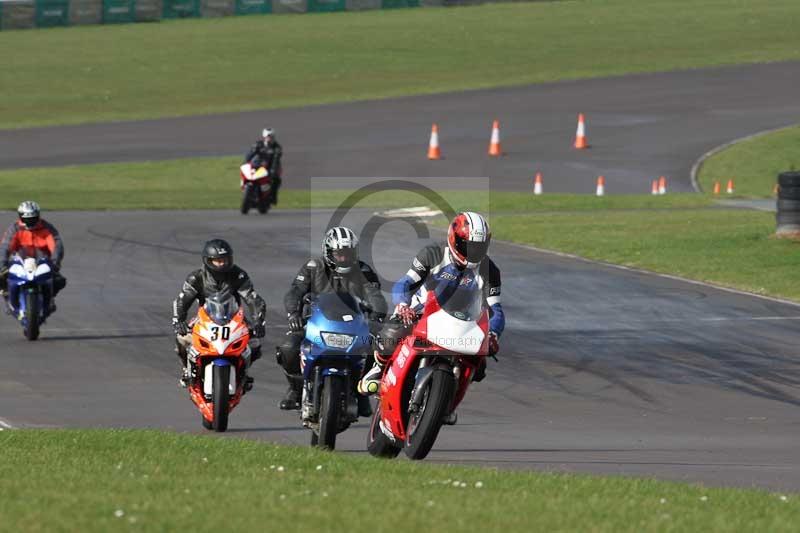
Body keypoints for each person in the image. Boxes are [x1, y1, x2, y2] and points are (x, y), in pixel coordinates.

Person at [359, 212, 505, 402]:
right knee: (392, 334)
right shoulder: (433, 254)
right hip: (419, 311)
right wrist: (403, 305)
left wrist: (493, 333)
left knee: (479, 365)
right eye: (467, 245)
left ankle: (450, 398)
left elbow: (496, 310)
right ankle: (379, 369)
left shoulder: (490, 270)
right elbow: (405, 283)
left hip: (462, 321)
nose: (472, 252)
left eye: (478, 247)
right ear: (454, 239)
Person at [277, 226, 387, 415]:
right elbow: (295, 291)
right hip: (315, 323)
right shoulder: (313, 267)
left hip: (353, 327)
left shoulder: (364, 270)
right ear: (328, 252)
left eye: (348, 253)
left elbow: (374, 295)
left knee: (375, 347)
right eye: (339, 254)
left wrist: (377, 315)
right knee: (288, 347)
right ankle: (296, 390)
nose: (343, 258)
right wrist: (293, 313)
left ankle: (361, 392)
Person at [172, 239, 267, 388]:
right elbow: (182, 300)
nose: (222, 264)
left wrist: (258, 321)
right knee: (181, 339)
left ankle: (244, 372)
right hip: (204, 317)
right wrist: (178, 320)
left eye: (225, 260)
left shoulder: (238, 275)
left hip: (234, 316)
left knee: (255, 343)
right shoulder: (196, 277)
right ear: (208, 261)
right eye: (218, 261)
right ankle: (186, 370)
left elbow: (253, 299)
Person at [0, 201, 66, 311]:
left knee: (59, 281)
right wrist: (2, 265)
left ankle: (50, 299)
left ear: (38, 216)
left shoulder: (47, 228)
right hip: (19, 262)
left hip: (42, 263)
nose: (30, 222)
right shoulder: (14, 229)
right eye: (27, 219)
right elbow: (5, 247)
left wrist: (55, 263)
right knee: (1, 278)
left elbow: (56, 246)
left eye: (33, 218)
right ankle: (8, 297)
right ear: (21, 217)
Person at [244, 128, 283, 205]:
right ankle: (248, 190)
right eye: (268, 136)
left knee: (277, 180)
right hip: (259, 165)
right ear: (264, 137)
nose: (269, 138)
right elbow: (250, 154)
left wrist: (273, 169)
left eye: (271, 136)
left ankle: (273, 197)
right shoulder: (258, 144)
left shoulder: (277, 147)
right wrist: (246, 162)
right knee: (248, 174)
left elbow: (276, 159)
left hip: (272, 166)